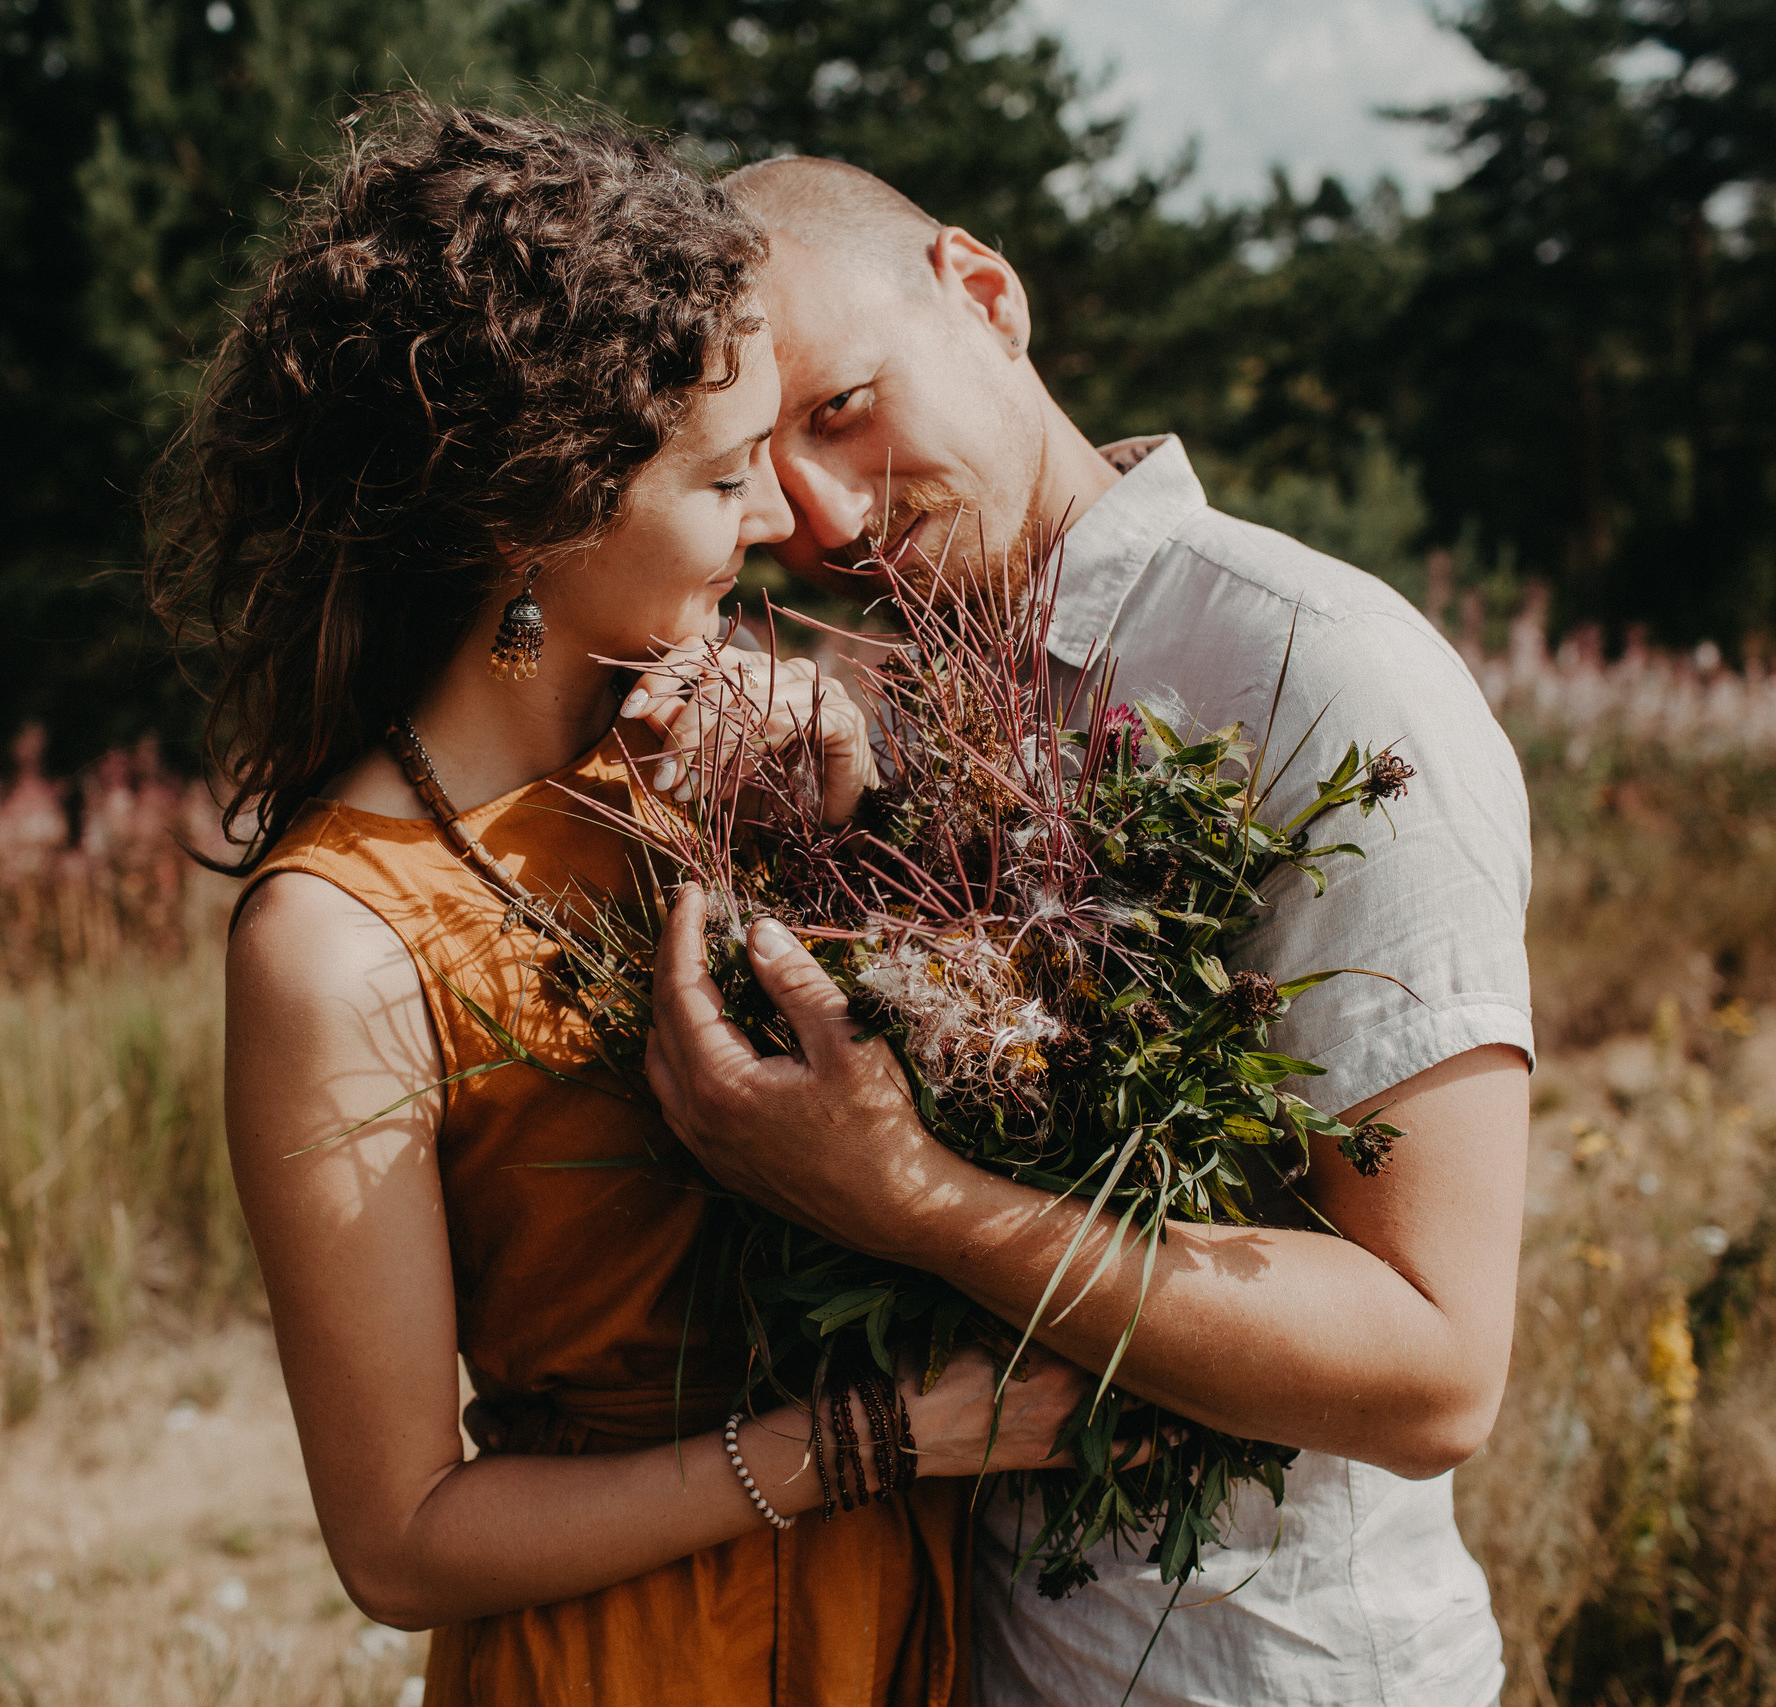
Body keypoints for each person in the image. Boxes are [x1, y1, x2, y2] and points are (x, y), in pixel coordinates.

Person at [145, 108, 1092, 1707]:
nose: (790, 522)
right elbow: (399, 1541)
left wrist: (851, 833)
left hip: (905, 1633)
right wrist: (856, 1446)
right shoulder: (339, 942)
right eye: (726, 475)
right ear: (543, 506)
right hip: (643, 1658)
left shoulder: (717, 763)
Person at [642, 156, 1534, 1707]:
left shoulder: (1317, 680)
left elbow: (1434, 1369)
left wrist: (913, 1201)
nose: (827, 520)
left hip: (1269, 1674)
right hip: (972, 1653)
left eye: (844, 408)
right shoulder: (896, 703)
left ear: (985, 298)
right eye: (762, 477)